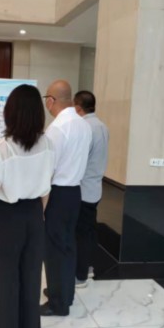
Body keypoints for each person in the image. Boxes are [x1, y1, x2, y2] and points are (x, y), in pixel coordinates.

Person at [0, 84, 55, 328]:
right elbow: (46, 189)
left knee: (8, 275)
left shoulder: (1, 148)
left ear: (10, 113)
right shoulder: (48, 145)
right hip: (35, 213)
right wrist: (39, 215)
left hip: (8, 216)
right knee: (32, 274)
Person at [41, 80, 92, 317]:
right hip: (74, 193)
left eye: (46, 100)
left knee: (54, 248)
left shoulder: (57, 128)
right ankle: (64, 292)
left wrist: (41, 204)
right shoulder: (83, 125)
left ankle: (58, 303)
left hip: (58, 194)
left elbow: (48, 170)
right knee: (68, 245)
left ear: (51, 100)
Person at [73, 90, 109, 286]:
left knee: (80, 233)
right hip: (95, 187)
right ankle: (87, 267)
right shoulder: (102, 126)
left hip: (83, 189)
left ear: (78, 108)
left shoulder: (84, 128)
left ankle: (80, 275)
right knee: (89, 231)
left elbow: (79, 160)